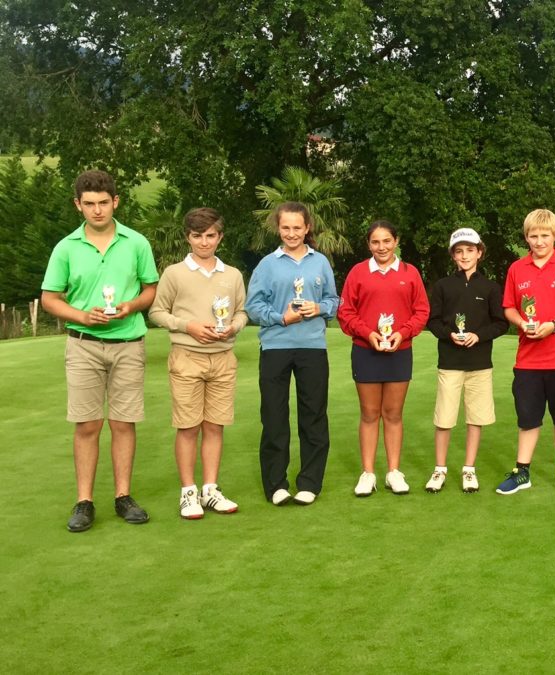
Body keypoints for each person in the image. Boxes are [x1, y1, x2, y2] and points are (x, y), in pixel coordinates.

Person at [41, 169, 159, 532]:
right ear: (78, 205)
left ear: (115, 202)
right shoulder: (66, 247)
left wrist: (131, 306)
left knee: (123, 422)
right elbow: (49, 299)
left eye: (103, 203)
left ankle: (123, 496)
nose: (97, 211)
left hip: (128, 342)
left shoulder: (136, 242)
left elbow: (150, 290)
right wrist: (80, 316)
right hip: (83, 345)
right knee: (88, 424)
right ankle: (84, 501)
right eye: (89, 204)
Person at [149, 207, 248, 519]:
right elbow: (156, 312)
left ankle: (210, 489)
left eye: (210, 236)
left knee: (215, 426)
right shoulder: (173, 273)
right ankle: (188, 492)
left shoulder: (232, 274)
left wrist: (233, 326)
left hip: (222, 358)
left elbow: (243, 312)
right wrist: (186, 326)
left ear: (219, 236)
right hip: (187, 357)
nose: (204, 242)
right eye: (197, 236)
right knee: (188, 427)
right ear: (187, 237)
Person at [246, 202, 339, 506]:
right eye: (285, 227)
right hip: (275, 346)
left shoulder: (320, 262)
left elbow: (333, 300)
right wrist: (280, 318)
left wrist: (319, 308)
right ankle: (276, 485)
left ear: (307, 227)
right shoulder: (267, 264)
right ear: (278, 228)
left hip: (312, 347)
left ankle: (310, 482)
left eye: (297, 227)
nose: (291, 233)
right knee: (274, 417)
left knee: (313, 416)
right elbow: (253, 307)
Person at [496, 209, 555, 497]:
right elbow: (509, 306)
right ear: (526, 237)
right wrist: (523, 322)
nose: (539, 241)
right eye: (533, 236)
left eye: (544, 235)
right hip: (528, 359)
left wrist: (554, 325)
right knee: (528, 418)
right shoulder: (517, 269)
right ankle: (522, 471)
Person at [339, 220, 430, 497]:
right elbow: (346, 313)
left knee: (393, 414)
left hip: (399, 352)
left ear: (396, 241)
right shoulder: (357, 273)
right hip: (366, 351)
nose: (381, 247)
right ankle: (368, 473)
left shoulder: (410, 273)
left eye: (386, 241)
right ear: (369, 244)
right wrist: (369, 334)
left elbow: (421, 311)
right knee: (369, 414)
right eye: (375, 242)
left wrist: (402, 334)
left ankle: (393, 471)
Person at [423, 228, 508, 493]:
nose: (465, 255)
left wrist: (478, 336)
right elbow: (433, 321)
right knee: (444, 418)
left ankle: (469, 469)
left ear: (479, 253)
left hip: (480, 363)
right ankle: (440, 469)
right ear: (453, 256)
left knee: (475, 418)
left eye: (470, 250)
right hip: (449, 362)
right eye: (459, 251)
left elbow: (501, 323)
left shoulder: (491, 287)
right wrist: (449, 335)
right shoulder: (443, 286)